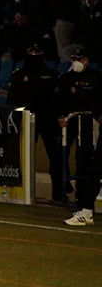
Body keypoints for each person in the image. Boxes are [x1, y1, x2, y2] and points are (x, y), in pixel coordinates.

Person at [5, 44, 63, 203]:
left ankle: (59, 192)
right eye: (32, 52)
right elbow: (11, 101)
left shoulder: (52, 75)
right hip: (26, 121)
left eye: (37, 52)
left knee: (56, 157)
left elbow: (59, 100)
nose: (34, 55)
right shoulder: (18, 75)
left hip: (50, 121)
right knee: (23, 157)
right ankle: (21, 191)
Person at [53, 45, 102, 225]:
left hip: (90, 124)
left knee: (88, 162)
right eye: (75, 59)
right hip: (71, 121)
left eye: (80, 59)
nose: (77, 62)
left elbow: (97, 102)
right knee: (89, 166)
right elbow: (58, 100)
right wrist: (60, 116)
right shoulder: (66, 78)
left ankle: (85, 205)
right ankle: (80, 204)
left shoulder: (96, 78)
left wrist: (96, 116)